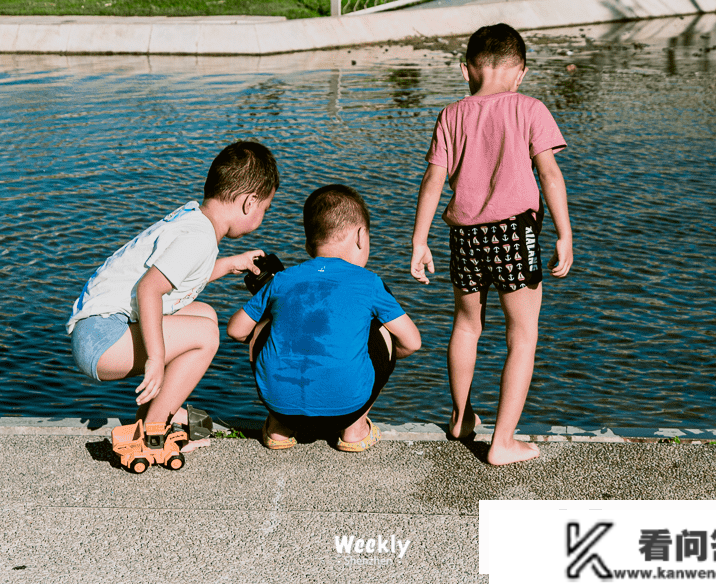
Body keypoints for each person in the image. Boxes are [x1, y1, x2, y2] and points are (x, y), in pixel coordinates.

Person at [410, 23, 573, 466]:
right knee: (522, 336)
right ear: (520, 73)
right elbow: (550, 175)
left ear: (466, 71)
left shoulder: (451, 114)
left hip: (464, 234)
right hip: (515, 235)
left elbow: (432, 181)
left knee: (466, 327)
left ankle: (461, 419)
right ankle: (502, 441)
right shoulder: (530, 109)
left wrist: (419, 241)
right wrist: (564, 233)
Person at [67, 139, 278, 439]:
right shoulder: (200, 239)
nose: (263, 215)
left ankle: (150, 417)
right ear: (250, 202)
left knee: (205, 314)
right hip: (101, 339)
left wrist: (232, 264)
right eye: (265, 209)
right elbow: (150, 289)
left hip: (98, 328)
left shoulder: (194, 219)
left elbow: (181, 276)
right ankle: (152, 434)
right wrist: (156, 358)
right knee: (206, 335)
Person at [228, 183, 422, 452]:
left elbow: (235, 330)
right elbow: (413, 342)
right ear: (361, 236)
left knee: (264, 326)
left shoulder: (281, 280)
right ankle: (355, 430)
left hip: (280, 405)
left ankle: (278, 428)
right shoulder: (369, 283)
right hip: (348, 407)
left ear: (308, 243)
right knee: (384, 329)